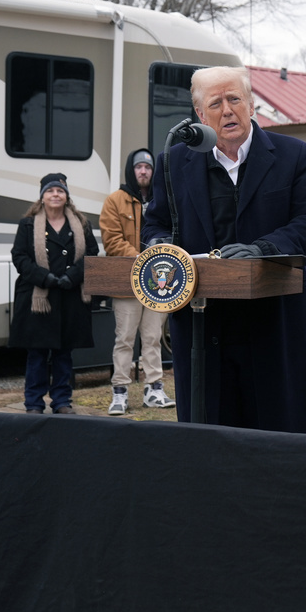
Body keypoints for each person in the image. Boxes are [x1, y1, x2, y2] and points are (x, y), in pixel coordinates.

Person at [142, 66, 306, 434]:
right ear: (199, 115)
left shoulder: (293, 155)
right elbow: (156, 223)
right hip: (203, 324)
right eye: (216, 103)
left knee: (279, 430)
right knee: (212, 434)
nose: (227, 110)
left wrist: (263, 249)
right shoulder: (173, 162)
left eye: (234, 99)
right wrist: (158, 245)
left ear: (251, 104)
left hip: (274, 321)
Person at [10, 173, 99, 414]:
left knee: (63, 353)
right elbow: (19, 257)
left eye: (60, 191)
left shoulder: (81, 224)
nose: (55, 195)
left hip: (70, 298)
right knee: (37, 354)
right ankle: (34, 403)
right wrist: (44, 277)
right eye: (50, 191)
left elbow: (91, 255)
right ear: (42, 197)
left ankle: (61, 401)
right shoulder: (27, 225)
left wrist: (73, 276)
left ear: (67, 196)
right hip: (39, 299)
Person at [99, 148, 174, 415]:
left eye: (148, 167)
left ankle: (154, 389)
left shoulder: (162, 200)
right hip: (127, 282)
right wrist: (145, 258)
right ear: (131, 170)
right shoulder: (115, 201)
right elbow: (112, 241)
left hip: (158, 283)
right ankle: (119, 392)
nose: (143, 171)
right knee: (125, 338)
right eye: (138, 167)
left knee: (153, 337)